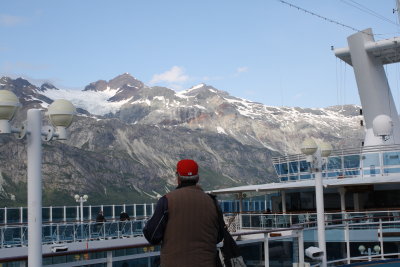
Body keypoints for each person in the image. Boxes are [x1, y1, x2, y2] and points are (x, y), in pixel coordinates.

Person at [143, 159, 223, 267]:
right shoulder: (212, 202)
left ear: (178, 178)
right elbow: (219, 236)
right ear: (197, 178)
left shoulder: (167, 201)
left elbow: (152, 236)